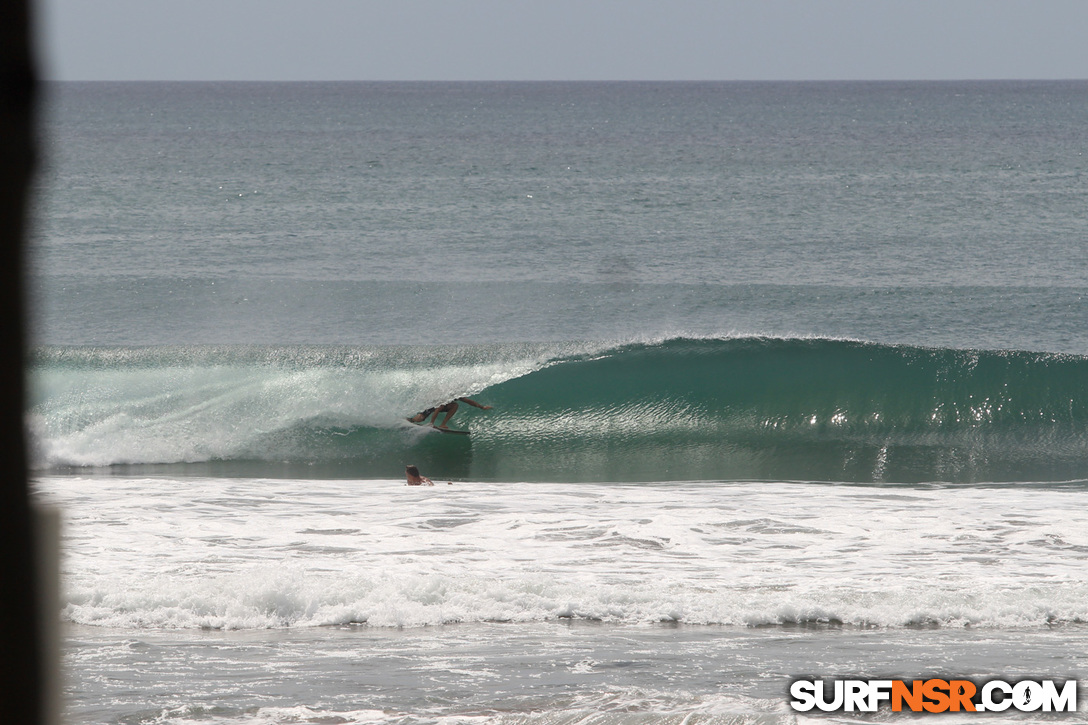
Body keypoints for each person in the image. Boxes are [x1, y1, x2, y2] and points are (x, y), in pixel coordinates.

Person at [408, 397, 492, 429]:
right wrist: (431, 423)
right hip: (433, 405)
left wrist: (482, 407)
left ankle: (443, 424)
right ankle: (411, 420)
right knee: (421, 419)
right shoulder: (444, 399)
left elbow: (469, 401)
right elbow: (437, 410)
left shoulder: (457, 395)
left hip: (444, 406)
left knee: (455, 405)